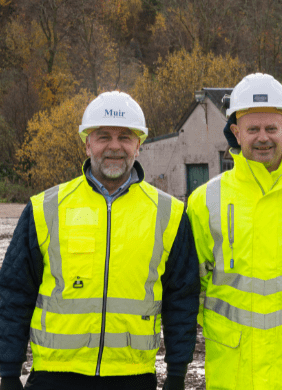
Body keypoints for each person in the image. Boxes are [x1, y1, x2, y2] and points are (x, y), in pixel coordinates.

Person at [0, 92, 200, 390]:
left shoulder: (169, 214)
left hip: (132, 377)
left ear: (138, 145)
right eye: (103, 136)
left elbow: (181, 299)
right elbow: (14, 293)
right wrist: (8, 370)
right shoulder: (45, 208)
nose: (114, 146)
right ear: (87, 144)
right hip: (54, 376)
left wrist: (176, 373)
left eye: (125, 137)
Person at [186, 73, 282, 390]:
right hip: (235, 366)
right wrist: (218, 323)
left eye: (271, 128)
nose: (263, 137)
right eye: (253, 129)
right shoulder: (205, 200)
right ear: (236, 132)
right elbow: (193, 281)